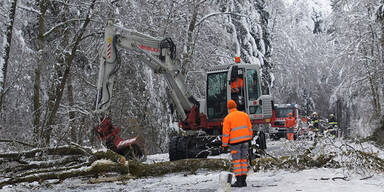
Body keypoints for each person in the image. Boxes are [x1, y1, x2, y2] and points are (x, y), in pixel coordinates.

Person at [222, 100, 252, 187]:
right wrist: (249, 138)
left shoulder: (227, 118)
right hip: (245, 141)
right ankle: (243, 181)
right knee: (243, 161)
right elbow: (250, 128)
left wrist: (224, 145)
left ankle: (239, 181)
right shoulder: (244, 115)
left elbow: (226, 133)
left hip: (235, 143)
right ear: (236, 106)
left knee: (237, 162)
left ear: (228, 108)